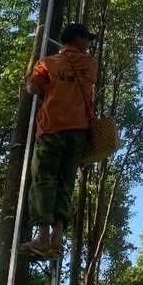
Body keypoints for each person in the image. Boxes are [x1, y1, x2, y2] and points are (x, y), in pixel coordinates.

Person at [19, 22, 99, 259]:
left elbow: (33, 89)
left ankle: (42, 238)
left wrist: (32, 76)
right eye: (86, 39)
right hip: (79, 132)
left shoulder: (47, 63)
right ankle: (58, 238)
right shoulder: (90, 64)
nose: (88, 44)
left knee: (45, 178)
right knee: (65, 181)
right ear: (77, 38)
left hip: (52, 129)